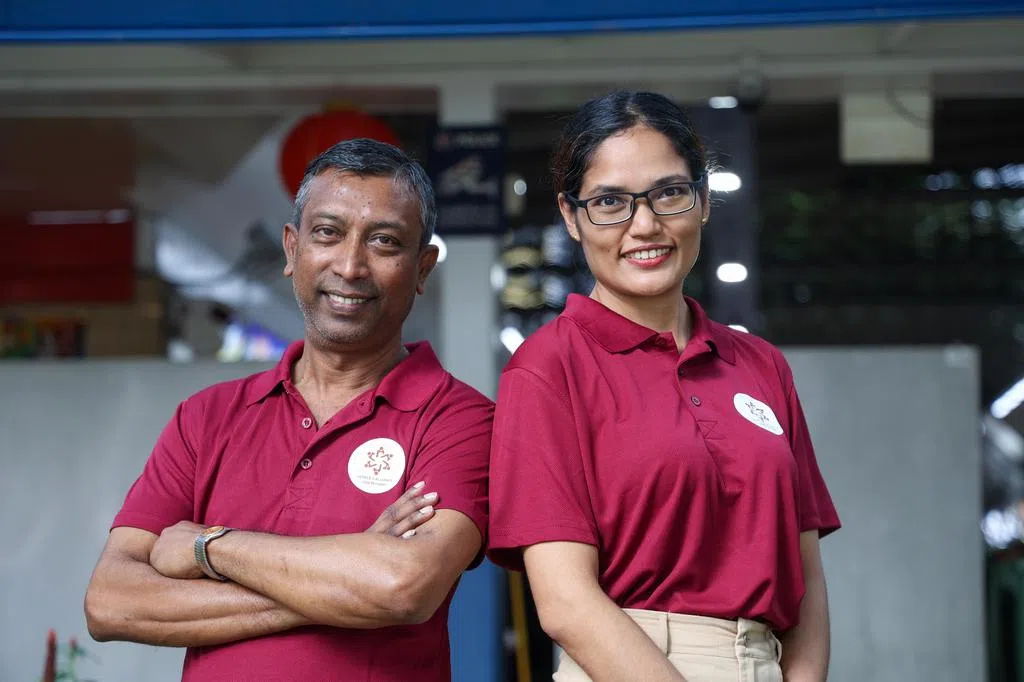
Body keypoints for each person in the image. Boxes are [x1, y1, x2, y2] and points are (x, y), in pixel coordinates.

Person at [85, 139, 493, 682]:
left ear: (422, 268)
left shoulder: (461, 420)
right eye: (327, 233)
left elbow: (403, 587)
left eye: (385, 242)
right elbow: (111, 602)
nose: (350, 265)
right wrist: (346, 582)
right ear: (292, 249)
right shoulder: (206, 418)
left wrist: (209, 546)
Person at [487, 91, 840, 682]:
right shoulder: (548, 368)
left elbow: (807, 576)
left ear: (703, 201)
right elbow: (566, 602)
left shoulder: (761, 366)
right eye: (609, 202)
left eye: (669, 193)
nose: (645, 225)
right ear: (571, 217)